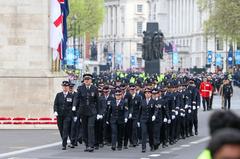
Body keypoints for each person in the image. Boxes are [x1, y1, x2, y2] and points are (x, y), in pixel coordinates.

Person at [72, 73, 99, 152]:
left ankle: (91, 145)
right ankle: (87, 145)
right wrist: (74, 105)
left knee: (90, 127)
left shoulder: (95, 88)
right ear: (84, 81)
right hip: (83, 111)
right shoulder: (80, 88)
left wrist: (99, 113)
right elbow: (77, 98)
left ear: (91, 80)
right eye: (85, 80)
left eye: (88, 80)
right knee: (84, 129)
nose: (86, 81)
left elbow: (97, 101)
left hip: (92, 111)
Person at [53, 81, 75, 150]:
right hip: (59, 115)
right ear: (62, 87)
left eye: (66, 86)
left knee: (65, 129)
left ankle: (64, 144)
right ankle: (64, 140)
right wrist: (55, 111)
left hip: (67, 115)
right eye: (64, 86)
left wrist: (73, 113)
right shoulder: (58, 95)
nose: (65, 88)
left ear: (68, 87)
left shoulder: (71, 95)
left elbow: (73, 105)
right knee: (61, 129)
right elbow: (55, 104)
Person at [139, 88, 158, 153]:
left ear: (150, 94)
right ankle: (143, 148)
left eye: (148, 93)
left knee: (151, 133)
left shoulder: (154, 101)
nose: (147, 94)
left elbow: (156, 110)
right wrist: (138, 121)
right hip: (143, 119)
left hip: (150, 120)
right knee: (143, 133)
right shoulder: (142, 101)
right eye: (146, 93)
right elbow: (140, 111)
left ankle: (151, 145)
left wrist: (154, 115)